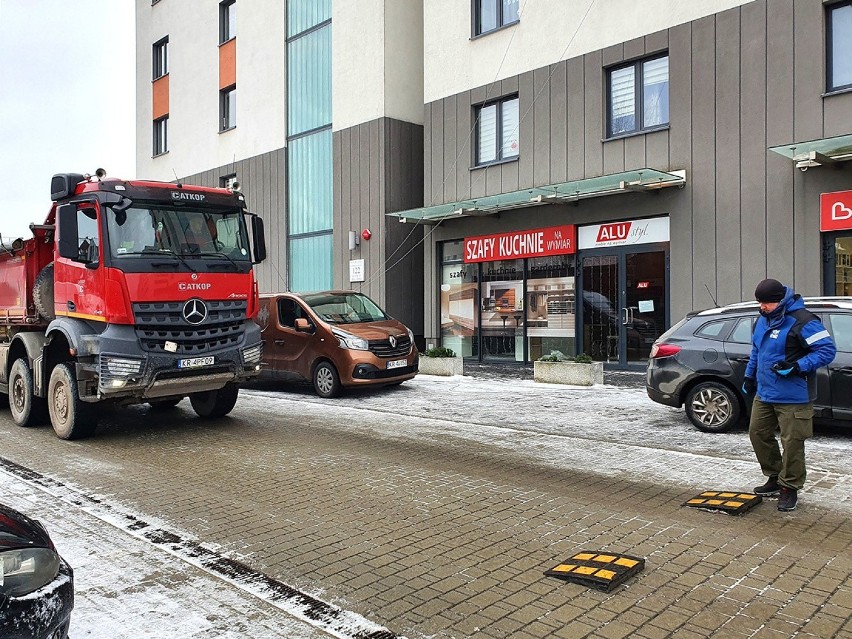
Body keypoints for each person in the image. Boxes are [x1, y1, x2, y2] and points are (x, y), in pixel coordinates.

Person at [741, 279, 836, 512]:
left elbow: (827, 351)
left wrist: (798, 366)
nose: (762, 307)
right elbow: (757, 351)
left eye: (767, 303)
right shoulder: (762, 321)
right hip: (765, 392)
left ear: (780, 300)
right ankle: (774, 476)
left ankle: (789, 487)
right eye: (760, 302)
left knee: (792, 443)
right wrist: (749, 376)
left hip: (794, 396)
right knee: (758, 433)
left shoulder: (804, 321)